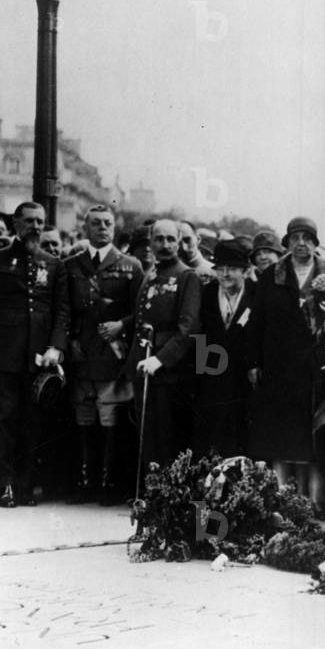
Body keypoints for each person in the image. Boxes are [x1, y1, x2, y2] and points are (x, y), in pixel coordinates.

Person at [0, 202, 68, 507]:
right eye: (29, 221)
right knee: (2, 420)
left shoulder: (53, 264)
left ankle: (26, 485)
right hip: (1, 354)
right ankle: (5, 486)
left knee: (32, 421)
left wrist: (56, 346)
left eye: (40, 222)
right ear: (16, 223)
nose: (36, 227)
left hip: (39, 355)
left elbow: (61, 312)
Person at [246, 217, 325, 505]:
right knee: (280, 437)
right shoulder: (272, 275)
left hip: (316, 370)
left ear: (315, 243)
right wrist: (253, 362)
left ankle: (312, 502)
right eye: (295, 238)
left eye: (307, 238)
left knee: (314, 439)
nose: (301, 244)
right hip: (279, 368)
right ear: (286, 244)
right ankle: (282, 500)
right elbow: (256, 322)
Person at [65, 205, 144, 504]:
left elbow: (140, 309)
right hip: (81, 351)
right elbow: (64, 308)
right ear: (86, 227)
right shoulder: (71, 264)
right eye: (96, 223)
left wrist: (120, 324)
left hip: (111, 353)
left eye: (108, 223)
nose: (102, 228)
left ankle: (107, 481)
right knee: (83, 414)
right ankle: (85, 479)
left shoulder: (130, 265)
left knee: (109, 415)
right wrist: (69, 340)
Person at [128, 219, 202, 475]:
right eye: (159, 239)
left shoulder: (186, 276)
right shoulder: (151, 273)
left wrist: (160, 360)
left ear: (180, 241)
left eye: (171, 239)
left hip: (169, 371)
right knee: (148, 434)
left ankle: (167, 498)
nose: (165, 244)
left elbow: (188, 328)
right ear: (150, 242)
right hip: (143, 363)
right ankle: (152, 495)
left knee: (167, 438)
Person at [194, 239, 252, 457]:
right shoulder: (206, 294)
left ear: (245, 272)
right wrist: (203, 373)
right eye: (221, 269)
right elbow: (199, 335)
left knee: (240, 434)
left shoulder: (255, 295)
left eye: (233, 269)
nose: (226, 274)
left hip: (243, 378)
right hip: (212, 376)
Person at [178, 220, 217, 285]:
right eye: (179, 242)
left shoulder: (213, 271)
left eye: (187, 240)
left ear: (198, 239)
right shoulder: (170, 271)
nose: (184, 247)